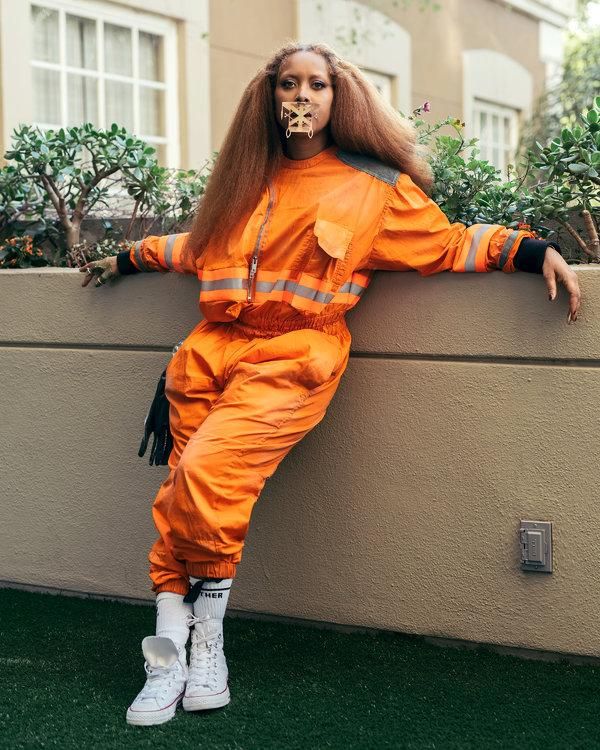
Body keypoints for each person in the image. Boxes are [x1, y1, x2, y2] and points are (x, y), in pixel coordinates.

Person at [79, 42, 581, 727]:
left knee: (203, 479)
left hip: (293, 358)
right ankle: (168, 661)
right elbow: (191, 248)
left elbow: (449, 242)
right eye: (290, 83)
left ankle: (210, 650)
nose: (303, 96)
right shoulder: (241, 183)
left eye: (317, 84)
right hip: (205, 357)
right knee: (178, 503)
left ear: (338, 97)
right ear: (271, 96)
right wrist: (122, 258)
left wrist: (533, 250)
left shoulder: (372, 186)